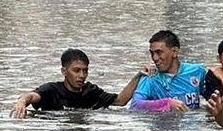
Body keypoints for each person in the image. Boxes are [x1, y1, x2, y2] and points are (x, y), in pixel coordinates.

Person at [10, 48, 147, 118]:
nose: (82, 76)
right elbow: (32, 96)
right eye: (76, 71)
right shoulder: (52, 90)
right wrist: (21, 102)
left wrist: (138, 76)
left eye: (85, 71)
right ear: (64, 71)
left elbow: (121, 101)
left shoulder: (91, 91)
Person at [130, 30, 206, 112]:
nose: (154, 58)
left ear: (174, 52)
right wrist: (167, 104)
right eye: (152, 53)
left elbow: (211, 97)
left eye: (159, 52)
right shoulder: (150, 78)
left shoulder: (197, 71)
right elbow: (135, 105)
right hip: (164, 123)